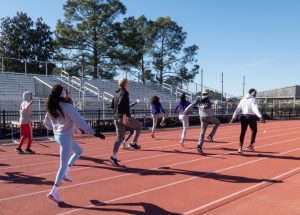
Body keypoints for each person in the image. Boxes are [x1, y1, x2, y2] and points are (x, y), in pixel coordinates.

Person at [44, 85, 105, 203]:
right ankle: (54, 191)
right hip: (65, 137)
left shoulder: (52, 106)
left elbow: (46, 122)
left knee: (79, 151)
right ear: (62, 94)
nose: (68, 93)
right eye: (66, 92)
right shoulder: (67, 106)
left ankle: (67, 170)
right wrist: (93, 132)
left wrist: (55, 127)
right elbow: (79, 120)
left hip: (58, 136)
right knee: (62, 165)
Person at [111, 78, 142, 166]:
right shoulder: (125, 92)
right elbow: (120, 105)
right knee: (139, 126)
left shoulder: (116, 93)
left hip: (116, 118)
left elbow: (113, 105)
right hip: (123, 117)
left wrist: (117, 115)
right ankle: (133, 144)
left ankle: (113, 157)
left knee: (119, 138)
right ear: (125, 84)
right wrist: (124, 115)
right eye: (127, 83)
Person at [184, 89, 220, 154]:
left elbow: (191, 105)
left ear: (202, 93)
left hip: (202, 117)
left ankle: (199, 146)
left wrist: (186, 110)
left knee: (202, 132)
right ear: (208, 93)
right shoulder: (209, 99)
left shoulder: (198, 99)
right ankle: (211, 136)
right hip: (209, 117)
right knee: (217, 123)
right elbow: (216, 102)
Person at [230, 88, 265, 153]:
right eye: (255, 93)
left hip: (243, 116)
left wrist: (233, 117)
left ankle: (240, 147)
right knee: (254, 130)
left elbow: (237, 109)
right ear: (253, 93)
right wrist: (260, 116)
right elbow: (255, 109)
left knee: (243, 132)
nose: (255, 95)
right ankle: (251, 145)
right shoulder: (253, 99)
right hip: (251, 116)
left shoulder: (242, 100)